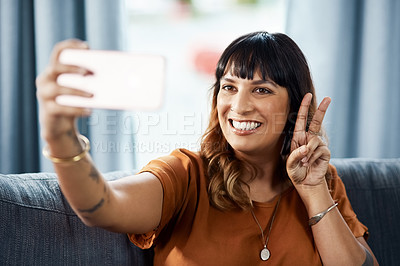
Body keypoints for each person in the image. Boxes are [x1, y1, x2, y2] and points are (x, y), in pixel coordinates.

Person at [36, 31, 378, 265]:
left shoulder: (322, 180)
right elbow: (101, 207)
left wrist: (314, 190)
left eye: (261, 90)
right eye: (229, 87)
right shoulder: (187, 175)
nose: (239, 107)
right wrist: (59, 133)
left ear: (296, 105)